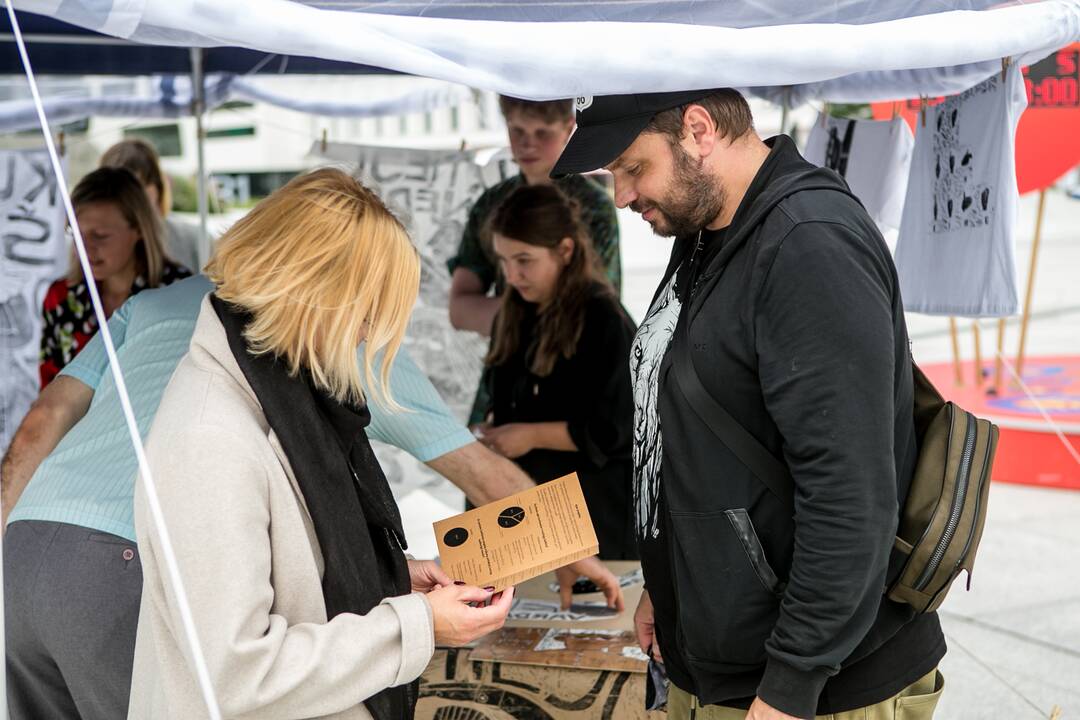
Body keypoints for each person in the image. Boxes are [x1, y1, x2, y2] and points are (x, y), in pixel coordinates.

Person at [3, 220, 621, 720]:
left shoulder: (160, 303)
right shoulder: (328, 345)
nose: (380, 329)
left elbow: (40, 422)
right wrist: (569, 550)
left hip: (26, 547)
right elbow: (475, 467)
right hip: (130, 564)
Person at [551, 90, 946, 720]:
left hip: (815, 684)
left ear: (699, 129)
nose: (621, 196)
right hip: (722, 657)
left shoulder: (808, 245)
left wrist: (792, 682)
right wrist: (670, 584)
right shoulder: (708, 228)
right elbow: (695, 437)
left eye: (632, 167)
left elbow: (850, 494)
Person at [125, 168, 514, 719]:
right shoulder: (211, 439)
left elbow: (291, 570)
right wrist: (418, 625)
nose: (367, 334)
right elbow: (236, 673)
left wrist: (394, 577)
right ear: (318, 296)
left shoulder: (277, 400)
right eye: (368, 311)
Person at [479, 184, 637, 560]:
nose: (513, 275)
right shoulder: (514, 313)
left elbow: (619, 428)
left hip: (594, 518)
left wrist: (531, 435)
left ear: (565, 250)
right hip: (527, 517)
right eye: (503, 261)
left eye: (525, 260)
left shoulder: (603, 319)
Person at [38, 166, 190, 388]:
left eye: (100, 236)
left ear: (138, 229)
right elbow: (49, 385)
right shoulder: (61, 297)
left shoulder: (177, 289)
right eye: (77, 234)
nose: (87, 248)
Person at [100, 138, 202, 272]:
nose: (129, 200)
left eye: (137, 188)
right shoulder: (88, 246)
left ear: (157, 189)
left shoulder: (194, 240)